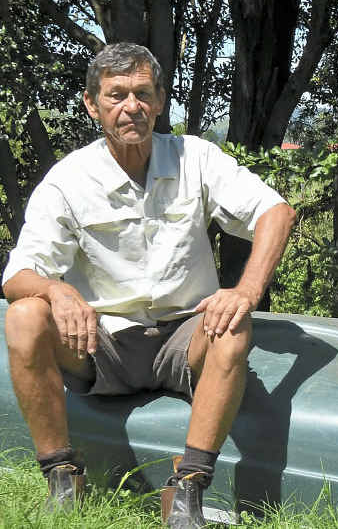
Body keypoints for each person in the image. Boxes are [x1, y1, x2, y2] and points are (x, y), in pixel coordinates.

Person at [2, 42, 296, 528]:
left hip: (185, 336)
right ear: (92, 105)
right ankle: (61, 476)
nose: (131, 107)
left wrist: (245, 292)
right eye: (116, 95)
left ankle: (187, 490)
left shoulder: (196, 158)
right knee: (24, 315)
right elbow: (17, 276)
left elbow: (275, 211)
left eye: (142, 93)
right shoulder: (68, 181)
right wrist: (57, 291)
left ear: (160, 101)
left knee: (234, 325)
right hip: (102, 342)